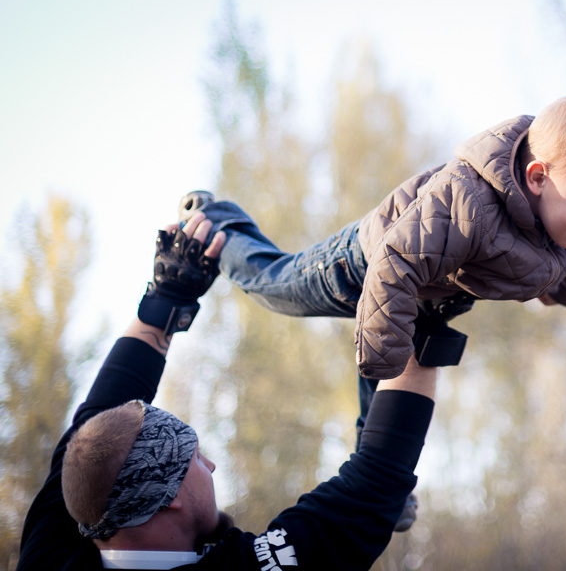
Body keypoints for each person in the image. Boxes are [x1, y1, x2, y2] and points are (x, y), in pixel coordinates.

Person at [16, 212, 438, 570]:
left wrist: (167, 298)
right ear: (169, 498)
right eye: (196, 458)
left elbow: (95, 433)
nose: (212, 465)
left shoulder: (59, 544)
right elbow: (372, 487)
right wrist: (419, 317)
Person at [190, 95, 566, 431]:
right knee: (275, 285)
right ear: (537, 177)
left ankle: (377, 483)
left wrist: (564, 291)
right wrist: (386, 357)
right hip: (364, 266)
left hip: (421, 297)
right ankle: (215, 225)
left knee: (381, 408)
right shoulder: (467, 200)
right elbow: (395, 262)